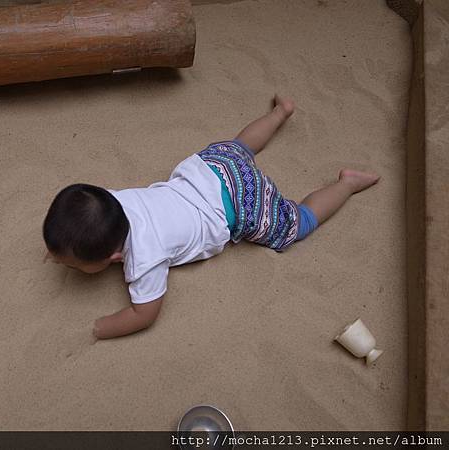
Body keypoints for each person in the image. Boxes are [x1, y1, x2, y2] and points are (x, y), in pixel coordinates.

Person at [43, 96, 380, 339]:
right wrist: (64, 246)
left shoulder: (144, 258)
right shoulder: (111, 201)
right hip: (209, 168)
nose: (62, 265)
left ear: (115, 257)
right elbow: (84, 216)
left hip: (240, 206)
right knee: (241, 147)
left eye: (72, 265)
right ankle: (280, 113)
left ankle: (346, 184)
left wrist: (100, 327)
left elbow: (143, 315)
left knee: (297, 223)